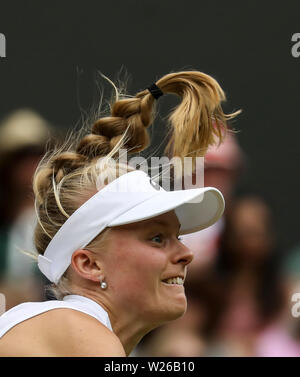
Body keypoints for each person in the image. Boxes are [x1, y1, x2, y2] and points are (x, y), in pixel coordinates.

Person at [0, 71, 239, 356]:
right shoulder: (77, 328)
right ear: (89, 265)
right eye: (157, 238)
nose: (187, 254)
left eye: (177, 236)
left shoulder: (72, 331)